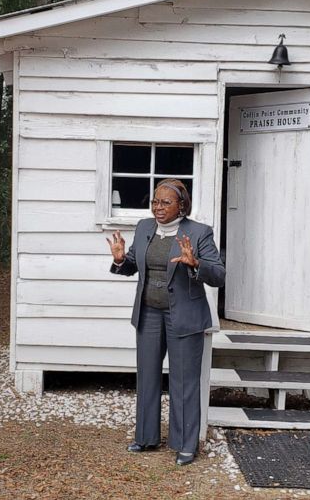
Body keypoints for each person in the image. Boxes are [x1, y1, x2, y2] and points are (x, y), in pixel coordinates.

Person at [106, 178, 225, 466]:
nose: (158, 208)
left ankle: (185, 444)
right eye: (155, 202)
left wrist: (196, 263)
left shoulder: (199, 233)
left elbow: (219, 275)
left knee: (183, 381)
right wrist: (122, 260)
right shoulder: (145, 227)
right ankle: (145, 438)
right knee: (147, 377)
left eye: (165, 202)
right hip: (149, 313)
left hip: (183, 316)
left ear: (181, 206)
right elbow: (134, 262)